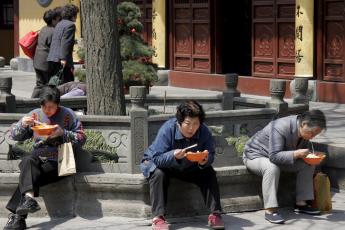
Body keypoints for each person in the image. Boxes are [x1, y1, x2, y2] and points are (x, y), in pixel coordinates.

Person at [3, 86, 86, 230]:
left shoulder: (68, 115)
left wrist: (63, 133)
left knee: (28, 174)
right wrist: (22, 125)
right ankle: (28, 201)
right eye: (44, 106)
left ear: (58, 104)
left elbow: (82, 137)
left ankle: (18, 217)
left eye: (51, 107)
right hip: (37, 160)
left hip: (60, 162)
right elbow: (14, 135)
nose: (47, 110)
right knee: (28, 161)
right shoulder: (35, 115)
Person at [141, 100, 225, 230]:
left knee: (209, 172)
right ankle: (158, 218)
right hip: (165, 166)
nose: (192, 128)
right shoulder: (168, 129)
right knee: (157, 173)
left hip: (190, 166)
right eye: (187, 123)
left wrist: (205, 160)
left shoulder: (204, 131)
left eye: (196, 123)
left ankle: (215, 214)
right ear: (180, 121)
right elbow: (156, 158)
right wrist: (172, 155)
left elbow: (211, 154)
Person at [243, 109, 327, 224]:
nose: (312, 137)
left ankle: (301, 203)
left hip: (279, 158)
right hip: (255, 155)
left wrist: (306, 156)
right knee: (271, 168)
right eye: (312, 133)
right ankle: (270, 210)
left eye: (315, 135)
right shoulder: (280, 126)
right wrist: (297, 154)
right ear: (304, 124)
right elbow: (274, 156)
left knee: (308, 164)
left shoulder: (302, 130)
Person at [31, 7, 62, 98]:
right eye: (58, 18)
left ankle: (31, 102)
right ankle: (46, 103)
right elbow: (55, 48)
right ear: (53, 19)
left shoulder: (43, 29)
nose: (59, 20)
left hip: (37, 61)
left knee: (39, 84)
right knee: (50, 85)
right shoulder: (54, 31)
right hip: (46, 63)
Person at [47, 4, 79, 84]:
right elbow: (65, 42)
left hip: (52, 58)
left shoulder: (59, 24)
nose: (77, 17)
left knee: (56, 82)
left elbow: (59, 40)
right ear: (72, 15)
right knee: (66, 83)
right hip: (61, 60)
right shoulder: (70, 25)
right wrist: (64, 59)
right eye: (76, 15)